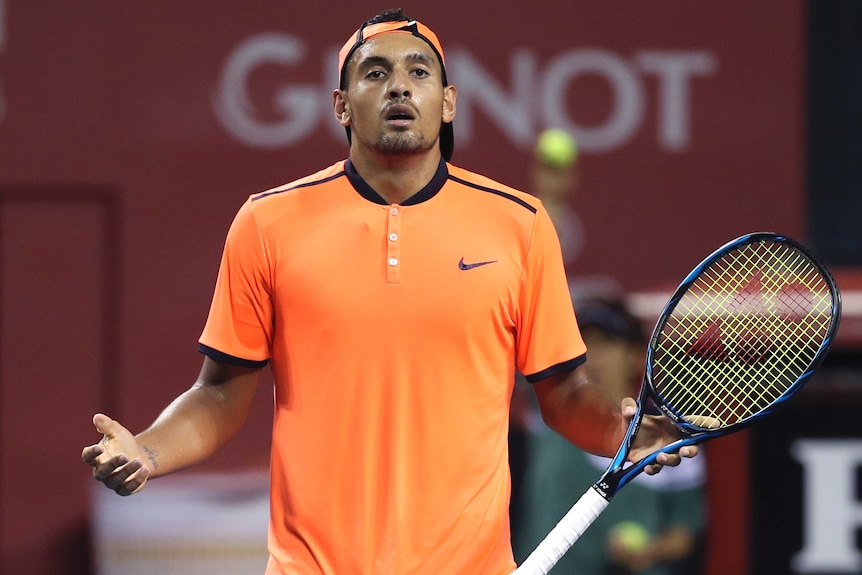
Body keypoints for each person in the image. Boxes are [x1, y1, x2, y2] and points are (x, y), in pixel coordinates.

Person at [81, 10, 699, 575]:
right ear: (341, 105)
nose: (399, 86)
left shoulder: (521, 224)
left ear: (448, 102)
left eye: (418, 72)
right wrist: (149, 452)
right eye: (375, 73)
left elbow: (564, 394)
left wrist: (624, 438)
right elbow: (218, 395)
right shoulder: (266, 224)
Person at [515, 297, 707, 575]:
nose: (594, 356)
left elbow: (683, 532)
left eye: (606, 343)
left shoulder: (667, 441)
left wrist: (649, 551)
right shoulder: (549, 410)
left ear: (634, 355)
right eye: (584, 345)